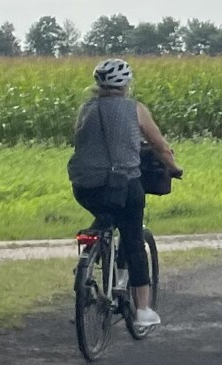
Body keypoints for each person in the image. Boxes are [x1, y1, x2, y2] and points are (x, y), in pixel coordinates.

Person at [68, 58, 183, 329]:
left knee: (105, 216)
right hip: (124, 186)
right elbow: (159, 146)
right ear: (126, 85)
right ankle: (143, 310)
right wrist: (175, 168)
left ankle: (87, 272)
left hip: (85, 186)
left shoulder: (86, 109)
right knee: (133, 240)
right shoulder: (135, 109)